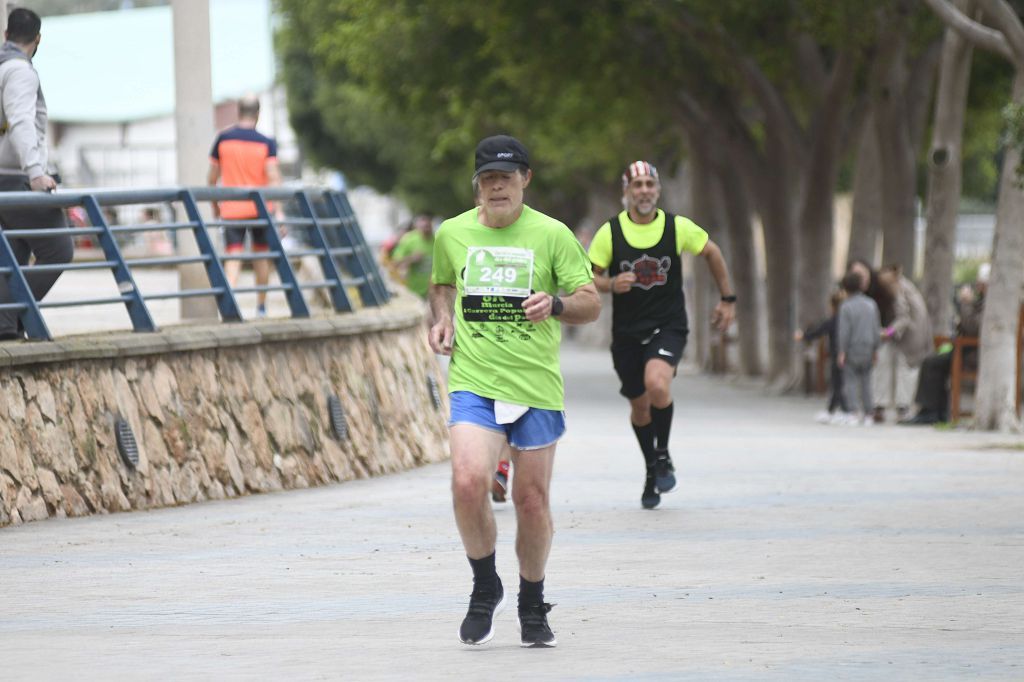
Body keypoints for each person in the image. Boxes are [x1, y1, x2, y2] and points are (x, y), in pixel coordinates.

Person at [429, 134, 600, 648]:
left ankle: (532, 599)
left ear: (526, 179)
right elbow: (441, 285)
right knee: (466, 483)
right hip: (474, 381)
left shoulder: (552, 235)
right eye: (487, 178)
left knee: (530, 500)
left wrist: (559, 306)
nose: (497, 186)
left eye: (506, 176)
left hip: (535, 387)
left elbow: (590, 300)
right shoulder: (451, 233)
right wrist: (441, 320)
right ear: (477, 186)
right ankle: (486, 586)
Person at [587, 160, 735, 509]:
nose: (643, 191)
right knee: (640, 407)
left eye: (649, 185)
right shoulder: (610, 232)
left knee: (658, 385)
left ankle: (664, 453)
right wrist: (609, 283)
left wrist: (728, 299)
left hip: (667, 324)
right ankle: (652, 468)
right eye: (636, 185)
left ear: (658, 190)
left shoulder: (676, 227)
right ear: (625, 193)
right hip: (626, 331)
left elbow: (711, 251)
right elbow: (586, 277)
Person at [0, 8, 73, 341]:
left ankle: (8, 326)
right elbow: (21, 122)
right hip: (16, 177)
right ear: (38, 39)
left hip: (5, 180)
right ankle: (10, 313)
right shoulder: (20, 72)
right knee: (58, 249)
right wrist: (35, 173)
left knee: (13, 254)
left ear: (6, 35)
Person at [207, 94, 282, 318]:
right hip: (260, 208)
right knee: (261, 256)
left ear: (238, 112)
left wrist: (215, 207)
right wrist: (277, 209)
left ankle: (228, 307)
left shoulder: (223, 139)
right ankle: (261, 307)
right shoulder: (266, 143)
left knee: (233, 256)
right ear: (258, 114)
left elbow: (211, 179)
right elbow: (273, 177)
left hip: (232, 208)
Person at [901, 264, 988, 425]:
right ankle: (933, 410)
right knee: (932, 360)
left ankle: (931, 411)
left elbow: (975, 328)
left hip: (975, 353)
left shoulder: (991, 304)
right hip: (966, 348)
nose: (977, 287)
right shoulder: (982, 301)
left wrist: (966, 303)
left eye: (980, 284)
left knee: (933, 363)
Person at [874, 264, 932, 422]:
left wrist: (888, 332)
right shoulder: (907, 286)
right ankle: (895, 407)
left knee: (899, 369)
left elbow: (903, 317)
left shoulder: (898, 289)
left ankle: (896, 408)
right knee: (901, 370)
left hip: (908, 338)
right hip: (914, 336)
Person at [795, 289, 849, 423]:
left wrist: (803, 336)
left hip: (838, 355)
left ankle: (845, 410)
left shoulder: (835, 320)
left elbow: (818, 331)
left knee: (838, 384)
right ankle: (834, 410)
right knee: (838, 383)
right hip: (845, 354)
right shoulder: (846, 320)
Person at [837, 270, 882, 426]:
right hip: (869, 347)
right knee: (866, 382)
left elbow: (844, 331)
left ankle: (854, 412)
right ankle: (869, 413)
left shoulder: (846, 306)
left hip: (852, 348)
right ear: (862, 286)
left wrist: (841, 351)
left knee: (850, 381)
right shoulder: (871, 304)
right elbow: (876, 328)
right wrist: (876, 348)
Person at [390, 213, 434, 298]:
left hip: (433, 290)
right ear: (417, 227)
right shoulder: (409, 240)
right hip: (414, 291)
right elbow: (395, 263)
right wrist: (411, 258)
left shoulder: (437, 240)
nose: (427, 229)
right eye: (424, 226)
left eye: (428, 226)